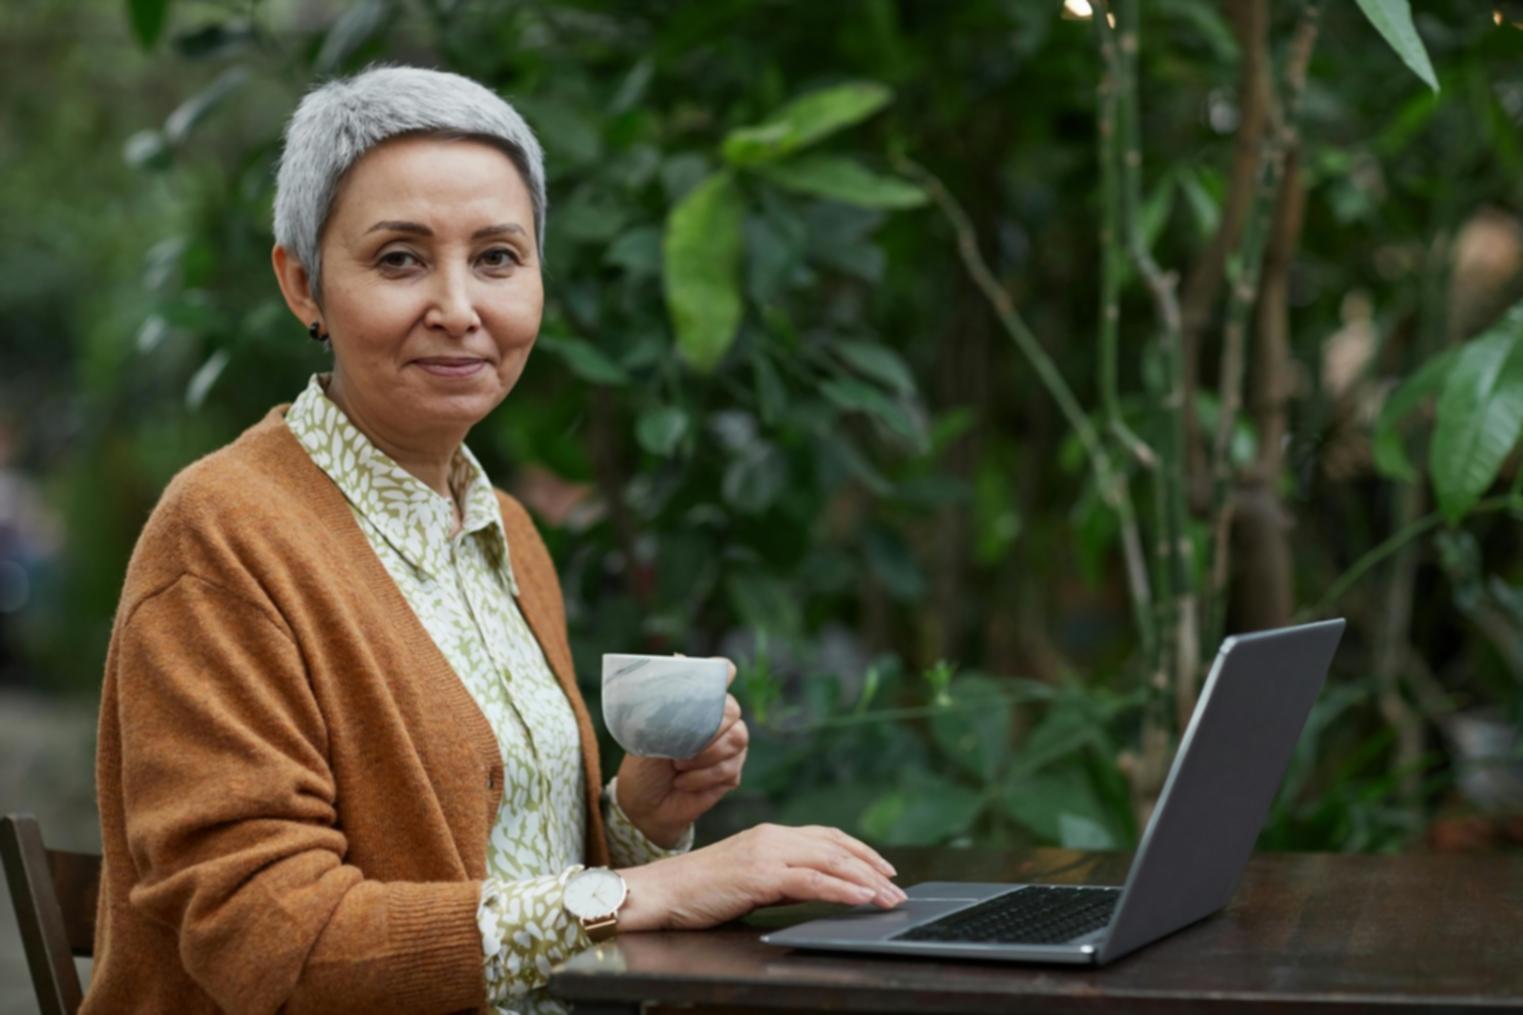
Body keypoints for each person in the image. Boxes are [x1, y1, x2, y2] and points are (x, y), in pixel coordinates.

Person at [83, 64, 905, 1015]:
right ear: (303, 284)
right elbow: (271, 940)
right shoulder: (223, 536)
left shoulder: (502, 526)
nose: (459, 306)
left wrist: (639, 821)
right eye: (399, 259)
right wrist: (650, 890)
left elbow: (528, 886)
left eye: (497, 257)